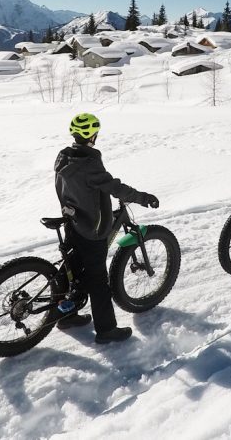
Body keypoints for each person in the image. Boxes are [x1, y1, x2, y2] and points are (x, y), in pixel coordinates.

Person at [54, 113, 160, 344]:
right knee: (97, 279)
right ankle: (106, 330)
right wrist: (142, 197)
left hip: (73, 219)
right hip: (91, 228)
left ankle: (66, 316)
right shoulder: (89, 163)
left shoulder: (64, 157)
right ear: (92, 135)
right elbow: (113, 186)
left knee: (71, 269)